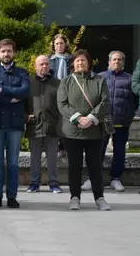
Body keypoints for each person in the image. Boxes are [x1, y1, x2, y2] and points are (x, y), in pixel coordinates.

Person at [57, 49, 111, 211]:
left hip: (94, 131)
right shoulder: (66, 81)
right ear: (73, 63)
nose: (80, 63)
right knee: (75, 166)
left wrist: (91, 118)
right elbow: (62, 104)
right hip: (72, 132)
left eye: (83, 60)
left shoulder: (99, 80)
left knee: (95, 165)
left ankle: (99, 197)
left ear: (88, 63)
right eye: (77, 60)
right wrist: (78, 118)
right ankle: (75, 197)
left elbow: (105, 101)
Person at [0, 38, 29, 209]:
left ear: (13, 53)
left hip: (14, 124)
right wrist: (13, 99)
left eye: (9, 51)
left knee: (13, 162)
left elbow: (24, 91)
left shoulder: (22, 73)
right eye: (3, 51)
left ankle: (12, 196)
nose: (6, 54)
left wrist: (2, 90)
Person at [97, 51, 137, 192]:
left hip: (121, 121)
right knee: (98, 151)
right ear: (109, 62)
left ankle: (115, 178)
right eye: (114, 59)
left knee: (119, 151)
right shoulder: (99, 77)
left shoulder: (130, 79)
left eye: (119, 60)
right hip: (102, 122)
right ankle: (94, 178)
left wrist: (129, 115)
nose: (117, 62)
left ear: (123, 62)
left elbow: (135, 101)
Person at [24, 55, 62, 194]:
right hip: (35, 126)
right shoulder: (29, 84)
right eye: (41, 64)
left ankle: (53, 183)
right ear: (35, 66)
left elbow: (62, 105)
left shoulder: (57, 84)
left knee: (52, 157)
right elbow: (23, 104)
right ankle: (34, 183)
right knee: (35, 157)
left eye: (46, 64)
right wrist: (25, 116)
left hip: (52, 126)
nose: (44, 66)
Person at [49, 34, 71, 158]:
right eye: (56, 43)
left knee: (66, 119)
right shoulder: (49, 59)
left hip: (68, 93)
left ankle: (64, 146)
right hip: (53, 93)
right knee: (54, 119)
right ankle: (55, 146)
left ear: (65, 44)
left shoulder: (71, 59)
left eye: (61, 43)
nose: (59, 46)